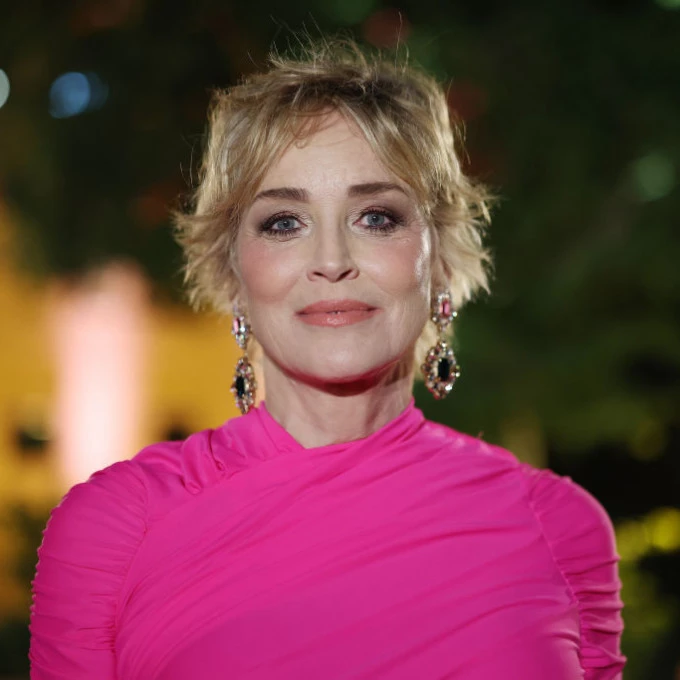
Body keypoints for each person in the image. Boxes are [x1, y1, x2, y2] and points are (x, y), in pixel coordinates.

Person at [29, 39, 626, 679]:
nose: (333, 260)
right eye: (284, 223)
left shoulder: (558, 527)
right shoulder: (116, 527)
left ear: (438, 262)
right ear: (234, 274)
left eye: (377, 218)